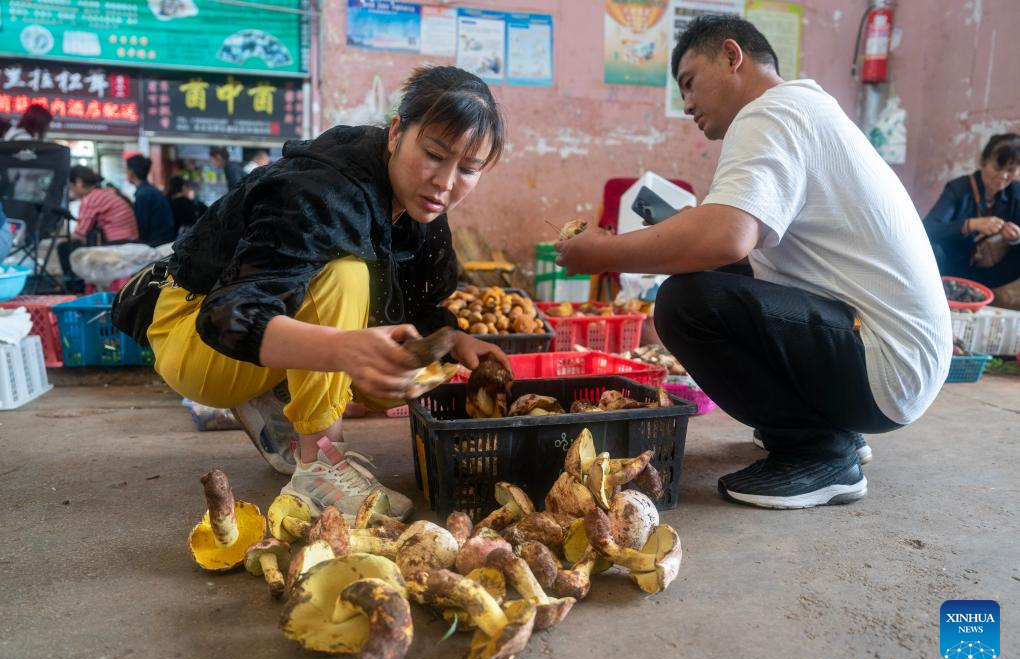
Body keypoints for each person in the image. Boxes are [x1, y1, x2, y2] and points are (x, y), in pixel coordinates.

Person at [556, 16, 951, 510]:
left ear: (731, 55)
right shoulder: (804, 109)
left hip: (885, 368)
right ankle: (828, 430)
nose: (688, 104)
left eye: (690, 82)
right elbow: (735, 243)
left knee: (684, 303)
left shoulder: (772, 112)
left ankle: (820, 451)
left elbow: (726, 236)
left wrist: (603, 253)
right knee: (715, 275)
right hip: (895, 364)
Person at [144, 66, 508, 520]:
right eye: (434, 154)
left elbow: (418, 306)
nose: (446, 182)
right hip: (195, 336)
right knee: (346, 273)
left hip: (261, 336)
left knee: (416, 368)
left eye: (469, 169)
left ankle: (278, 396)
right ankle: (319, 463)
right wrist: (343, 349)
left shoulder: (425, 212)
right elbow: (227, 315)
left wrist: (455, 340)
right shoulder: (321, 191)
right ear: (397, 132)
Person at [922, 133, 1020, 291]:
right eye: (997, 168)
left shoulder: (1016, 192)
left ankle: (984, 292)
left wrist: (1016, 238)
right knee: (932, 248)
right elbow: (928, 228)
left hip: (990, 272)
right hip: (953, 265)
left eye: (1010, 171)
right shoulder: (959, 188)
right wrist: (970, 224)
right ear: (983, 162)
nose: (1003, 176)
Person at [57, 166, 140, 278]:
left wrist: (60, 239)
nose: (71, 190)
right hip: (131, 240)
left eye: (71, 186)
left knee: (64, 247)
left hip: (119, 243)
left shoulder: (90, 199)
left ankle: (74, 285)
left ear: (79, 182)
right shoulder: (101, 194)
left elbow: (80, 234)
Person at [125, 155, 175, 246]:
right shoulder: (150, 191)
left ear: (131, 173)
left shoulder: (144, 195)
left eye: (126, 170)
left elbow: (141, 228)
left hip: (156, 245)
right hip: (163, 242)